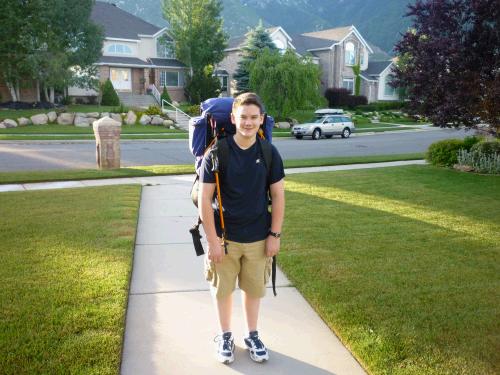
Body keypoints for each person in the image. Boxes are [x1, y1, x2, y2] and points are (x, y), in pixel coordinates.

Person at [199, 92, 285, 364]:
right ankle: (225, 335)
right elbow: (204, 198)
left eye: (254, 117)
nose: (248, 122)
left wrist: (274, 234)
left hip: (259, 238)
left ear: (261, 120)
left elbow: (279, 196)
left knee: (253, 291)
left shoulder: (269, 153)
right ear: (233, 118)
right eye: (243, 117)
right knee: (222, 290)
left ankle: (252, 334)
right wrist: (212, 241)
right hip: (225, 239)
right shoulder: (218, 152)